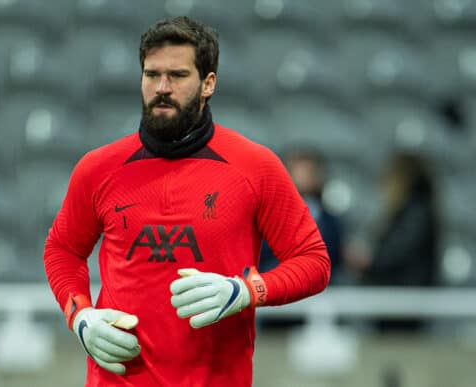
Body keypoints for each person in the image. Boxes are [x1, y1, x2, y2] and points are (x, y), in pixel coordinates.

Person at [43, 16, 330, 386]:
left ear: (208, 83)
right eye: (151, 75)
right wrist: (80, 317)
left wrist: (244, 291)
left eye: (177, 76)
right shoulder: (98, 169)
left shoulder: (254, 166)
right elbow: (62, 249)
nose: (161, 87)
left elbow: (314, 262)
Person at [347, 151, 439, 332]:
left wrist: (369, 262)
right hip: (397, 298)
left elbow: (399, 252)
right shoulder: (411, 211)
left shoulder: (416, 214)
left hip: (405, 301)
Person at [259, 147, 344, 283]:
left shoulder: (330, 219)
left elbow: (335, 252)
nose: (304, 177)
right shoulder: (268, 215)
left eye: (310, 171)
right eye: (299, 171)